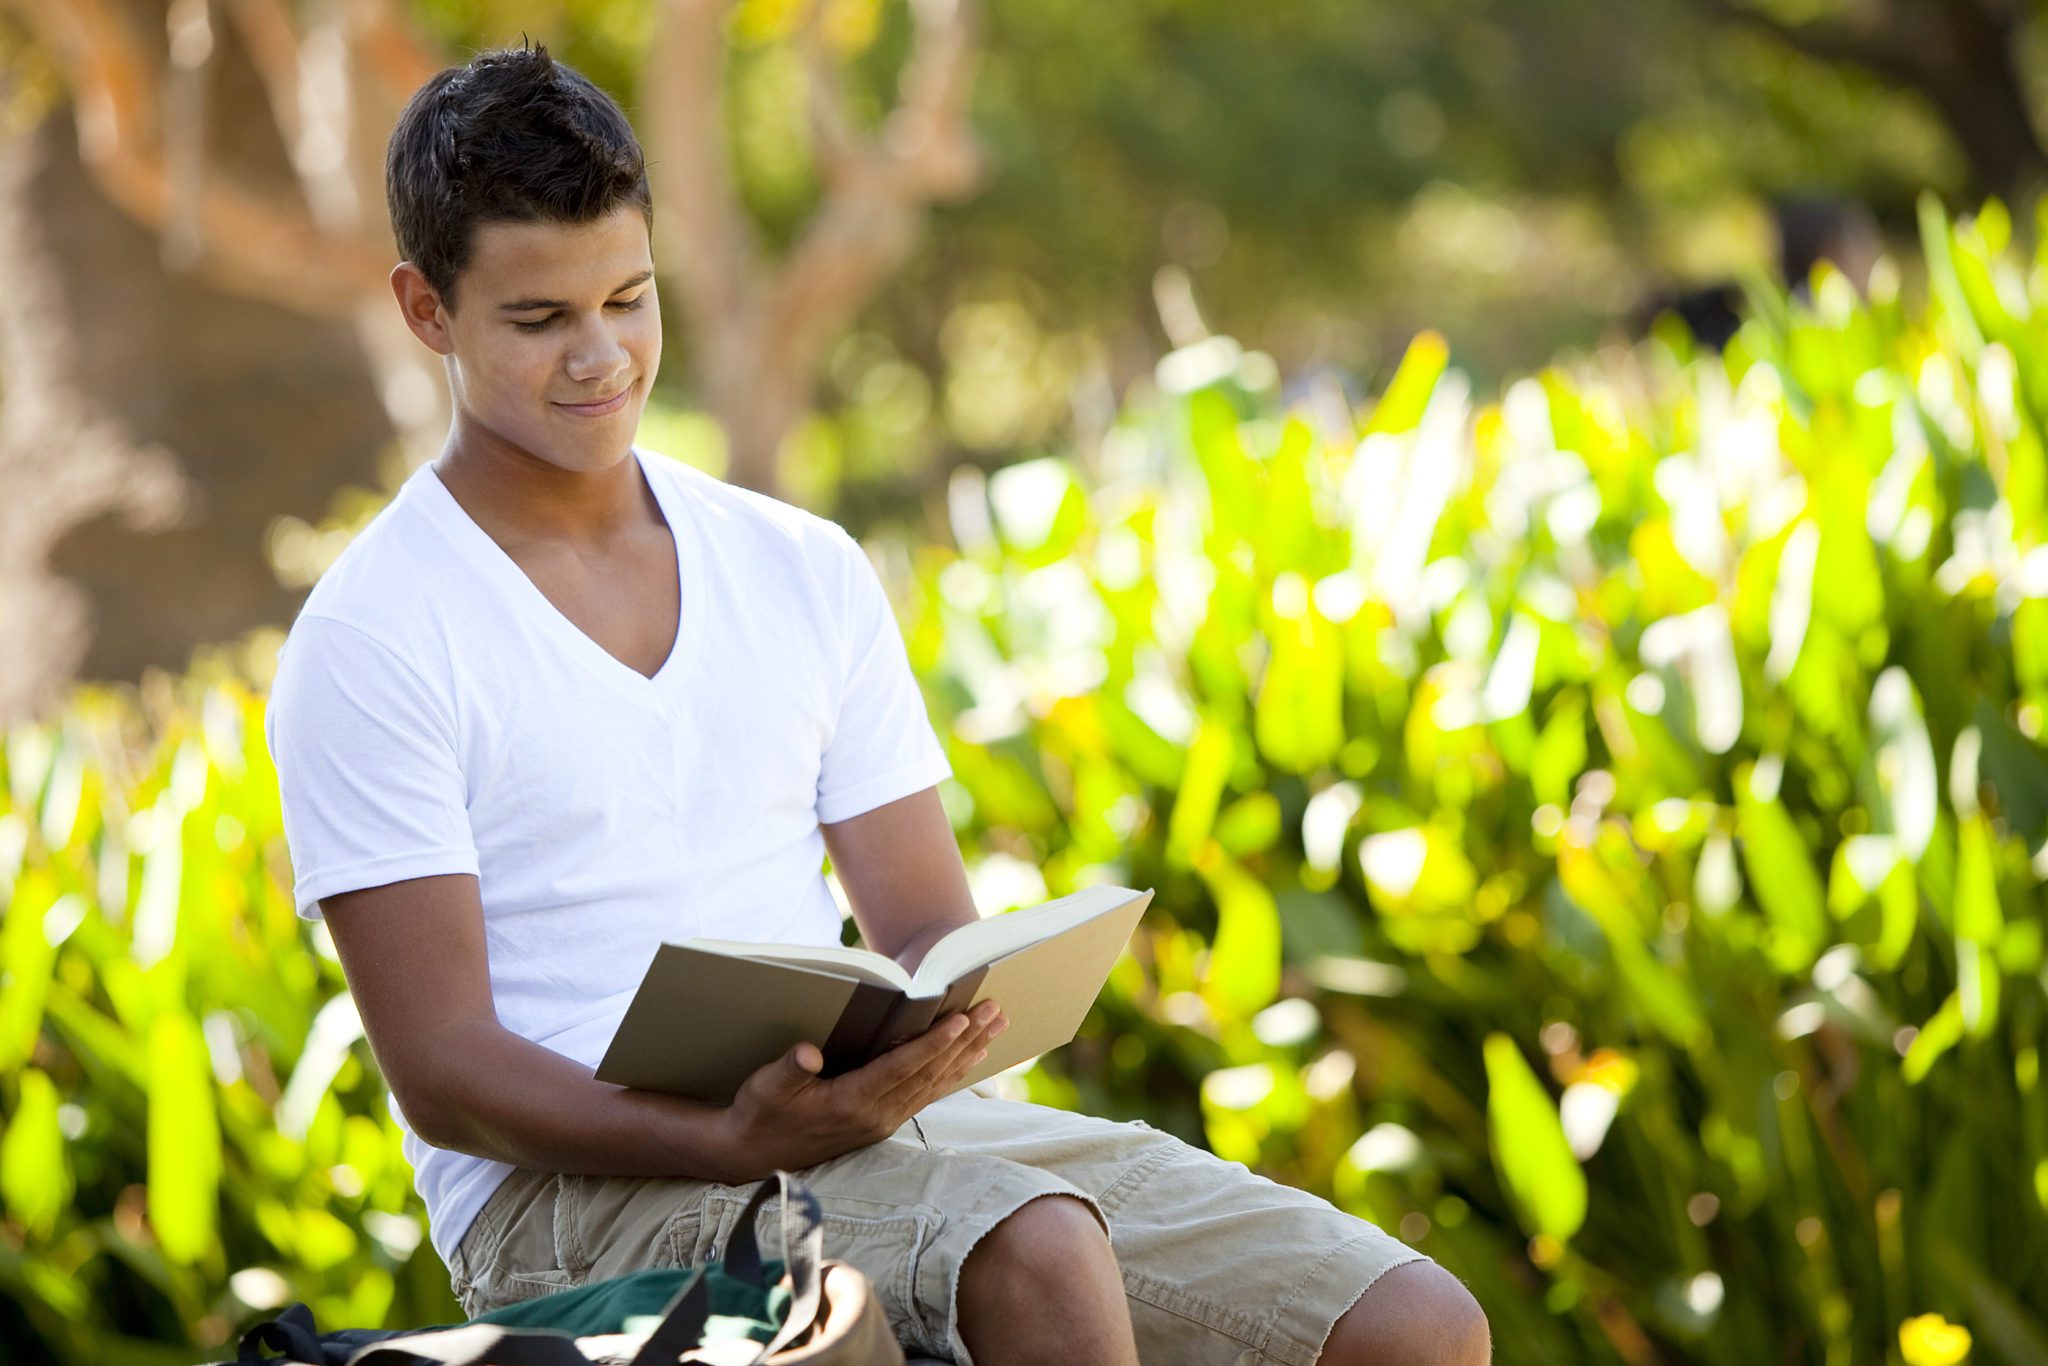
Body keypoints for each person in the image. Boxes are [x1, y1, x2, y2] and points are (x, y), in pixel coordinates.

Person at [264, 42, 1489, 1366]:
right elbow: (443, 1068)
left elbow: (922, 925)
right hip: (563, 1196)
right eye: (539, 318)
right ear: (427, 309)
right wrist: (726, 1138)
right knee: (1034, 1250)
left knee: (1414, 1327)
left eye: (629, 296)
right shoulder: (376, 636)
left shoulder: (799, 566)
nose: (601, 354)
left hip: (853, 1130)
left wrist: (934, 1029)